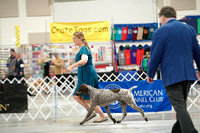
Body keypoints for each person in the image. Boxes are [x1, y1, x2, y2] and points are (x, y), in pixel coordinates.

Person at [147, 6, 200, 133]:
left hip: (172, 75)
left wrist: (150, 73)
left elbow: (155, 55)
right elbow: (197, 52)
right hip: (188, 74)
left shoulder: (161, 31)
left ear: (163, 17)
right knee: (181, 106)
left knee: (179, 106)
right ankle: (177, 131)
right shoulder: (189, 29)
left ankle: (191, 131)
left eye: (161, 19)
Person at [66, 31, 108, 123]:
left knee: (88, 98)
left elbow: (84, 61)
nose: (73, 40)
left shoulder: (84, 49)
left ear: (80, 38)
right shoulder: (82, 48)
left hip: (88, 75)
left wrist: (71, 66)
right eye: (73, 38)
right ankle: (92, 112)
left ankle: (102, 115)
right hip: (83, 76)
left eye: (75, 38)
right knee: (77, 96)